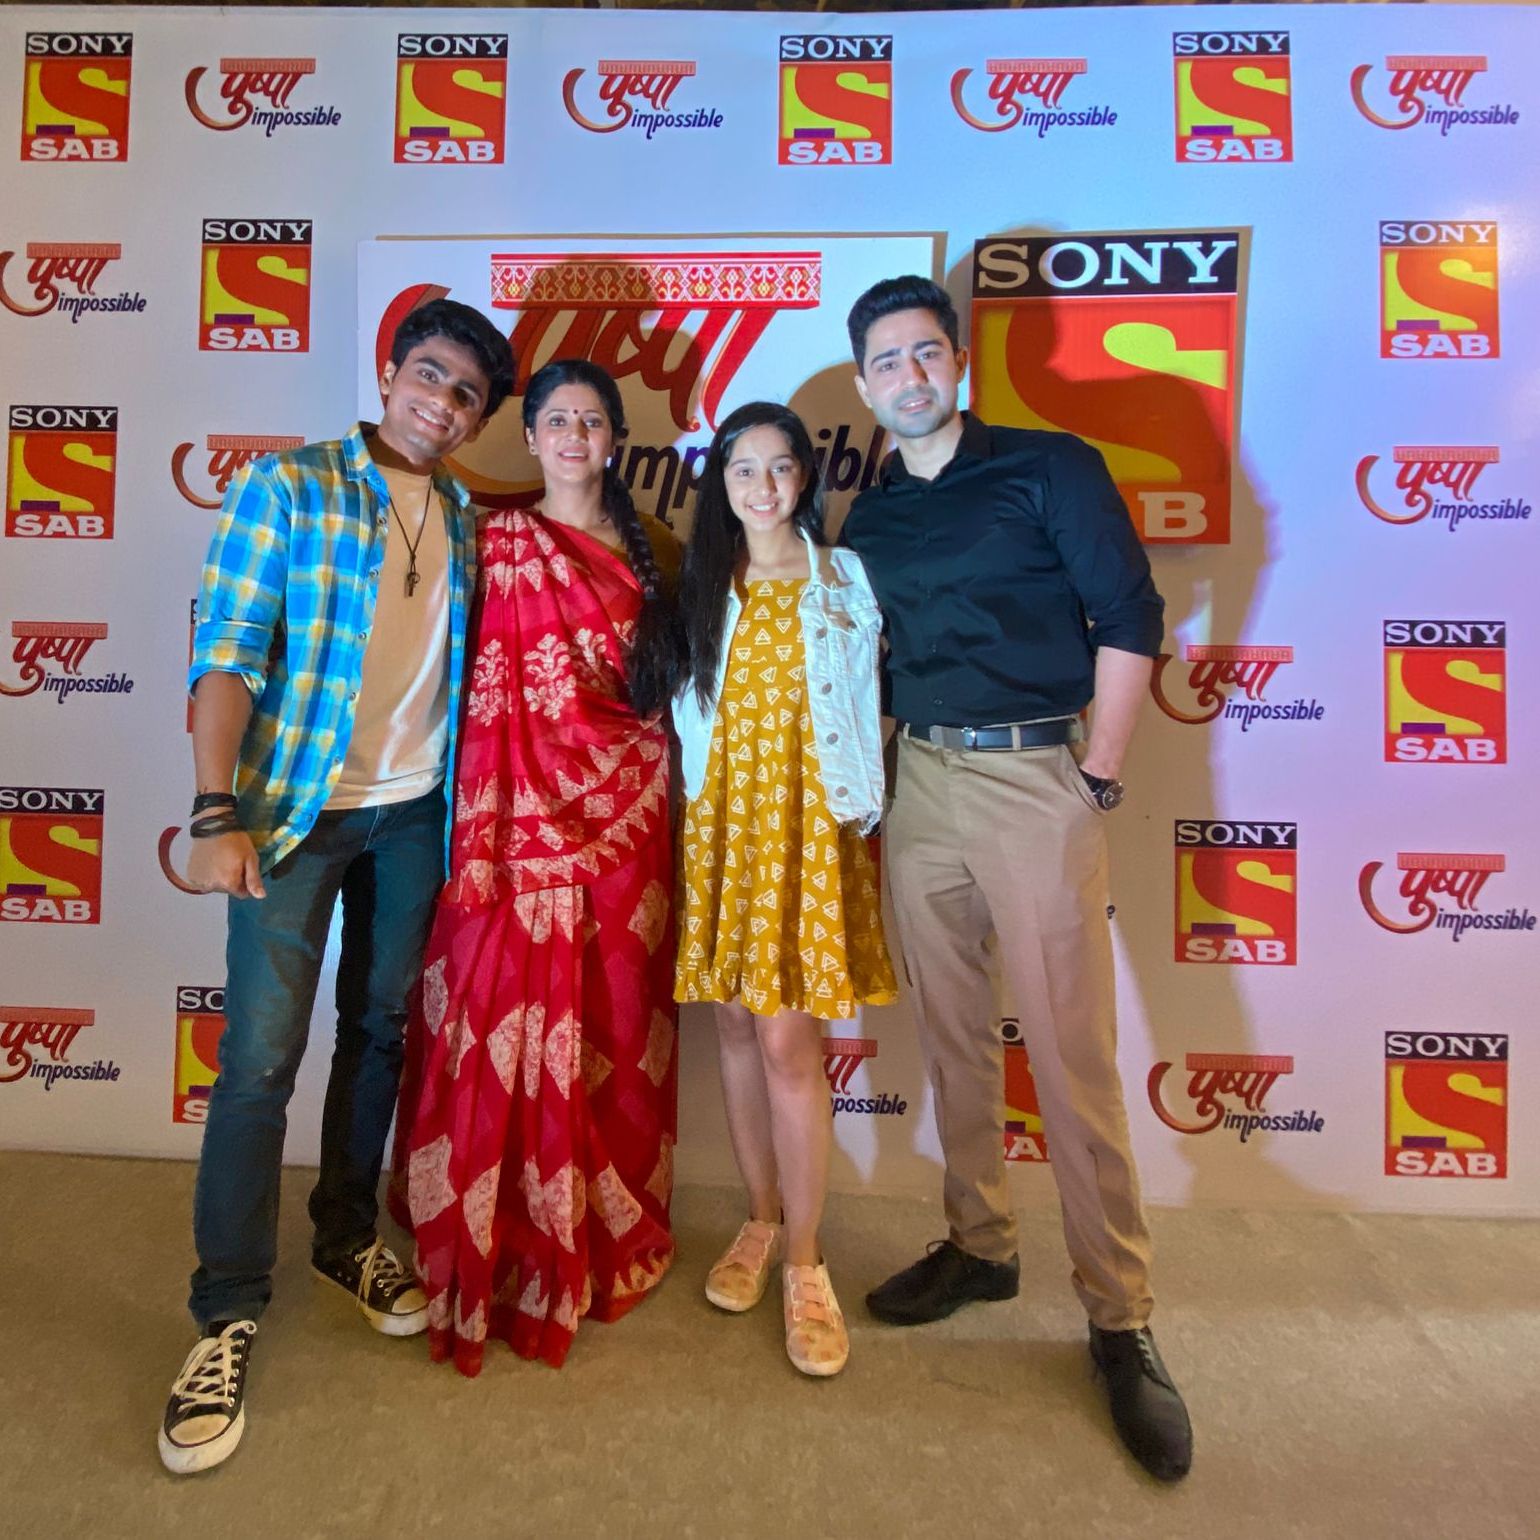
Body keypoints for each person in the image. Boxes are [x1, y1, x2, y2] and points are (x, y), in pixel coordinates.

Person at [839, 276, 1192, 1480]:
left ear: (958, 365)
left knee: (1071, 1060)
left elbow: (1129, 612)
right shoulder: (872, 515)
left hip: (1039, 776)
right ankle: (981, 1243)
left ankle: (1119, 1315)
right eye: (886, 362)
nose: (908, 376)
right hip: (922, 784)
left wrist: (1099, 770)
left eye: (923, 353)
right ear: (866, 386)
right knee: (951, 1038)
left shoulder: (1049, 467)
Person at [159, 299, 515, 1474]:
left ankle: (344, 1236)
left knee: (377, 1032)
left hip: (415, 816)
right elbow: (225, 649)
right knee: (259, 1058)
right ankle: (224, 1310)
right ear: (390, 369)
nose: (441, 403)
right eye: (430, 375)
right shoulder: (289, 487)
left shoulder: (464, 519)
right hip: (292, 815)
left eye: (465, 395)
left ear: (478, 419)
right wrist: (215, 809)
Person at [389, 359, 683, 1376]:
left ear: (615, 439)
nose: (571, 437)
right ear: (530, 437)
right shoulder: (492, 541)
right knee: (487, 1011)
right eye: (555, 420)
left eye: (590, 421)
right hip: (506, 826)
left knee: (614, 1023)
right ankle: (502, 1232)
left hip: (628, 821)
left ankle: (599, 1225)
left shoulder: (659, 549)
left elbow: (668, 693)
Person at [672, 401, 896, 1377]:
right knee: (732, 1024)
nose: (762, 487)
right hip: (721, 825)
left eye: (779, 467)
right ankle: (761, 1218)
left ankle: (806, 1259)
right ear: (720, 483)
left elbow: (882, 696)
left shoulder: (845, 576)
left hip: (808, 831)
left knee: (786, 1042)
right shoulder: (701, 584)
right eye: (742, 469)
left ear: (804, 476)